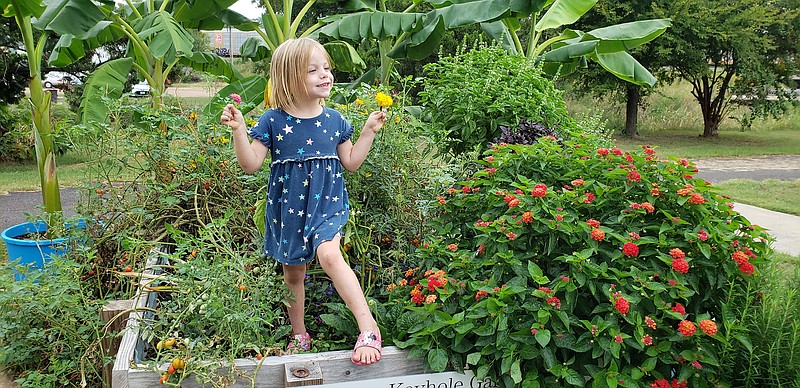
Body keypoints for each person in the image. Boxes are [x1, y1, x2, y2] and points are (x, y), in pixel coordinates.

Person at [220, 38, 386, 366]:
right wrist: (239, 130)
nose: (325, 75)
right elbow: (251, 164)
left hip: (327, 202)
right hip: (288, 208)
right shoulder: (272, 121)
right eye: (313, 70)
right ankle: (299, 334)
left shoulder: (336, 120)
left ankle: (369, 327)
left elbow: (351, 162)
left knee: (329, 254)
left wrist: (367, 131)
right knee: (293, 274)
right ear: (290, 77)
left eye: (326, 68)